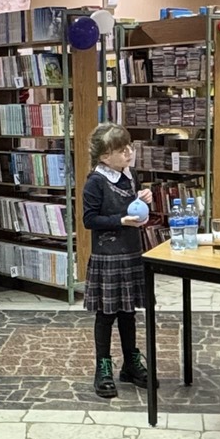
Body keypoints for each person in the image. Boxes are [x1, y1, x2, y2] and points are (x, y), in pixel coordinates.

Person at [79, 123, 153, 401]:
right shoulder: (95, 182)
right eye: (122, 150)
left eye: (129, 147)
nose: (129, 153)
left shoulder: (130, 175)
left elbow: (136, 210)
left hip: (131, 253)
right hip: (108, 257)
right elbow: (90, 220)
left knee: (128, 312)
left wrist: (144, 200)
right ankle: (103, 366)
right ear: (105, 156)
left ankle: (131, 363)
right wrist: (120, 220)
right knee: (106, 315)